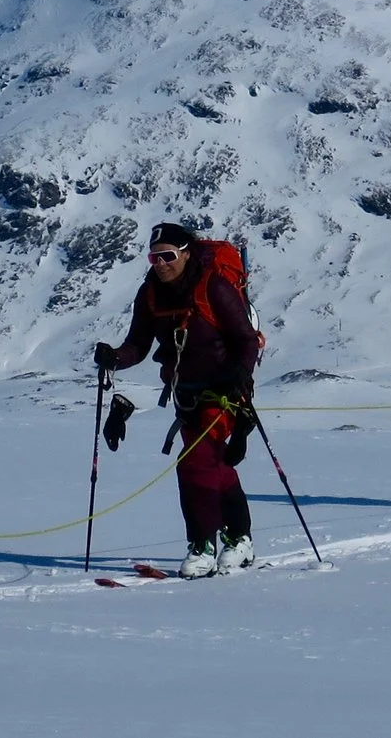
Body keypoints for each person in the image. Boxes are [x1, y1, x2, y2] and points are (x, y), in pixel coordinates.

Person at [97, 223, 261, 577]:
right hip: (186, 395)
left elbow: (247, 340)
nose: (160, 264)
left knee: (194, 463)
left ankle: (202, 545)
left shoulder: (213, 287)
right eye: (154, 257)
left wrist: (240, 373)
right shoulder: (150, 294)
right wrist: (114, 357)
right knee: (214, 465)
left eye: (168, 256)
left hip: (225, 393)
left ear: (187, 254)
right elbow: (138, 345)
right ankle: (240, 539)